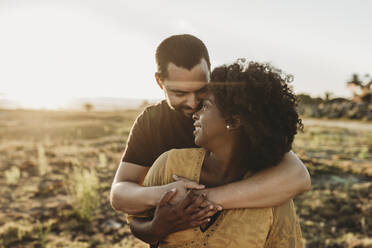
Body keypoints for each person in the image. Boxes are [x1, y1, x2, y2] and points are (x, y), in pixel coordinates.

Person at [110, 34, 310, 232]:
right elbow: (119, 193)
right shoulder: (152, 123)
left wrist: (200, 201)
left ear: (209, 74)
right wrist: (167, 196)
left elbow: (297, 176)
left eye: (201, 90)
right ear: (160, 83)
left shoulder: (233, 110)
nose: (193, 103)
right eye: (180, 93)